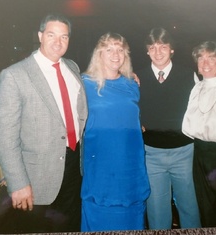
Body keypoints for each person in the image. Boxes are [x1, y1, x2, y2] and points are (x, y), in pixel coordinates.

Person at [0, 14, 88, 233]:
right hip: (36, 177)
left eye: (64, 37)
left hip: (74, 167)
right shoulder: (14, 75)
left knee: (70, 226)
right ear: (40, 36)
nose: (58, 42)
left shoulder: (72, 67)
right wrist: (18, 183)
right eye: (51, 35)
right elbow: (4, 135)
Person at [80, 32, 150, 232]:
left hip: (130, 165)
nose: (115, 54)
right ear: (99, 54)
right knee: (99, 215)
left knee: (132, 216)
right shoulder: (83, 83)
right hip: (101, 165)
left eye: (120, 50)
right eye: (108, 49)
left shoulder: (131, 84)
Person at [136, 27, 201, 229]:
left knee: (189, 206)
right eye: (152, 47)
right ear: (147, 51)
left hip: (184, 152)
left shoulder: (189, 75)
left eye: (163, 46)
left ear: (172, 49)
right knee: (156, 209)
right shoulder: (137, 77)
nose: (158, 52)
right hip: (151, 153)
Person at [182, 41, 216, 227]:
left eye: (211, 58)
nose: (205, 62)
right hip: (199, 154)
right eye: (201, 58)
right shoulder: (196, 88)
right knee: (205, 206)